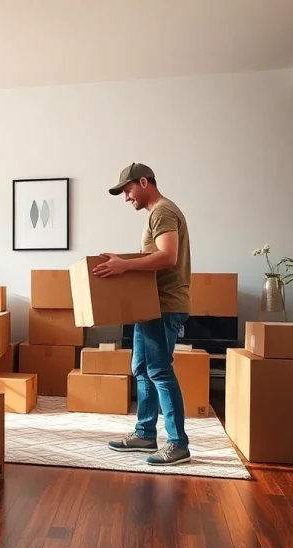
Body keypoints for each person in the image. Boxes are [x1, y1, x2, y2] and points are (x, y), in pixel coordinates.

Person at [95, 162, 193, 466]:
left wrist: (124, 265)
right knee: (141, 367)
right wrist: (122, 261)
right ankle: (145, 432)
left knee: (160, 370)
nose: (126, 197)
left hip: (165, 305)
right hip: (150, 304)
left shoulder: (163, 211)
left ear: (143, 182)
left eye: (127, 190)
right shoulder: (156, 214)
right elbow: (153, 257)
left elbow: (167, 256)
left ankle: (177, 444)